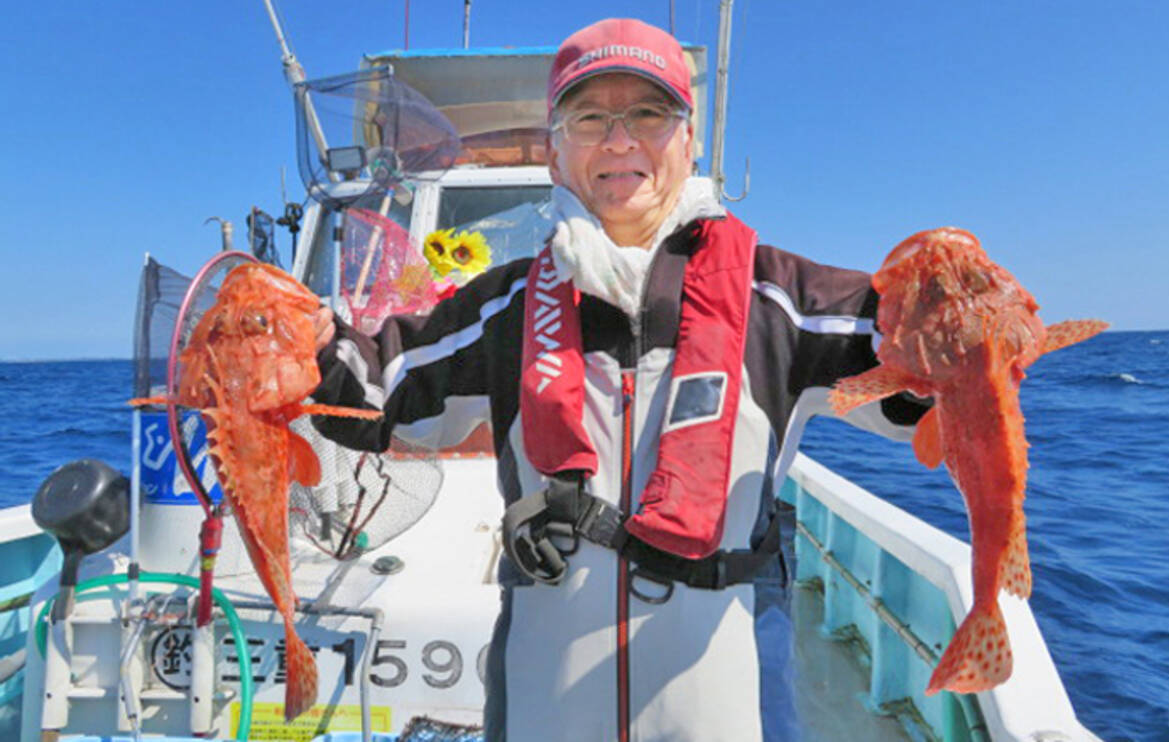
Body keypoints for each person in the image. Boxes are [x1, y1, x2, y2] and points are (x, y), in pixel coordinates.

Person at [311, 17, 927, 742]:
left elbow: (910, 386)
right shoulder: (502, 311)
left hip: (716, 702)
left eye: (648, 113)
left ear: (687, 140)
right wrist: (308, 345)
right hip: (549, 703)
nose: (620, 139)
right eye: (590, 118)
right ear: (555, 151)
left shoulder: (780, 300)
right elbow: (371, 395)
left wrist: (946, 326)